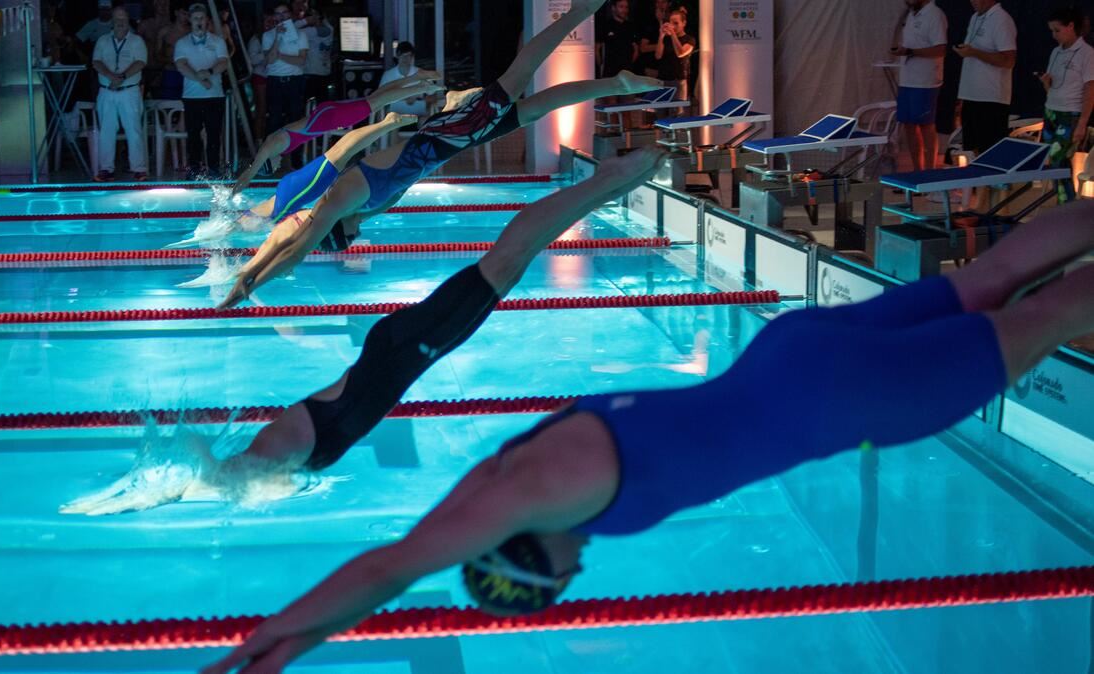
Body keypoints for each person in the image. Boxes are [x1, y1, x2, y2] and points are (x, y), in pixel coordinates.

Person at [200, 184, 1094, 674]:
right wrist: (291, 642)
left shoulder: (545, 491)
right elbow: (410, 555)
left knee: (1049, 315)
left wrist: (266, 641)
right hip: (791, 355)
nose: (579, 571)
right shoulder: (510, 470)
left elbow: (391, 568)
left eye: (560, 578)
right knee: (993, 275)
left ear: (531, 555)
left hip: (843, 400)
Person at [61, 147, 668, 517]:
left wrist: (145, 490)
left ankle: (603, 182)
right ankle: (602, 187)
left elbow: (209, 471)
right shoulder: (274, 460)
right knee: (507, 264)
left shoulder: (272, 452)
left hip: (402, 349)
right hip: (400, 352)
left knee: (505, 262)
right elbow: (212, 471)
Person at [220, 0, 663, 308]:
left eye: (347, 238)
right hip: (452, 137)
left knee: (521, 79)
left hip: (452, 134)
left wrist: (248, 282)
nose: (356, 238)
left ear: (340, 229)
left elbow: (297, 248)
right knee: (533, 104)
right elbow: (292, 244)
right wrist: (252, 271)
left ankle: (581, 18)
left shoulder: (344, 201)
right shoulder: (365, 205)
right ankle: (613, 80)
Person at [229, 71, 446, 195]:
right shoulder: (278, 147)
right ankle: (416, 78)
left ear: (268, 164)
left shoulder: (272, 146)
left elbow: (248, 174)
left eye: (273, 168)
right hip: (325, 115)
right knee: (377, 97)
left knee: (379, 100)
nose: (278, 167)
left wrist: (233, 191)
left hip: (329, 118)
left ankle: (422, 87)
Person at [953, 0, 1016, 208]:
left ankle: (996, 205)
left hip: (991, 98)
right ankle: (978, 202)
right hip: (972, 95)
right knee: (972, 151)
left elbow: (1008, 60)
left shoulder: (1002, 20)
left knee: (992, 154)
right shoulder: (975, 17)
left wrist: (975, 52)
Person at [1039, 6, 1094, 203]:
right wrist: (1047, 84)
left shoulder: (1087, 53)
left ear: (1071, 26)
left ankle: (1067, 206)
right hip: (1051, 111)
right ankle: (1063, 204)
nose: (1054, 35)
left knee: (1059, 161)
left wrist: (1082, 123)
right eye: (1051, 31)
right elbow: (1054, 88)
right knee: (1053, 162)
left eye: (1057, 30)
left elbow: (1090, 89)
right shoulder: (1056, 52)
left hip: (1070, 114)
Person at [91, 6, 149, 182]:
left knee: (134, 130)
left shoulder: (137, 41)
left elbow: (140, 62)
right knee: (106, 131)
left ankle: (139, 168)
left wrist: (122, 77)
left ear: (128, 20)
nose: (120, 22)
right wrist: (111, 76)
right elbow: (96, 62)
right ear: (112, 21)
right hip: (107, 90)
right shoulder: (102, 40)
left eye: (123, 19)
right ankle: (106, 169)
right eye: (117, 19)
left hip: (129, 90)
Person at [174, 3, 229, 180]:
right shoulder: (182, 43)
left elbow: (223, 62)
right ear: (190, 20)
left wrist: (209, 72)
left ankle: (214, 168)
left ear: (207, 21)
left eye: (202, 18)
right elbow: (181, 65)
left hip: (215, 95)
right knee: (193, 134)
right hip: (192, 96)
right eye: (195, 18)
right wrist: (200, 79)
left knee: (214, 133)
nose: (199, 21)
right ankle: (194, 169)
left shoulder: (218, 41)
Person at [892, 0, 948, 173]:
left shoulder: (935, 15)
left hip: (925, 81)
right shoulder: (911, 14)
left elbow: (940, 49)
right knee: (909, 125)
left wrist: (911, 52)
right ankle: (917, 169)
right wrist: (902, 50)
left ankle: (929, 171)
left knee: (925, 124)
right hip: (908, 79)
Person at [263, 3, 310, 171]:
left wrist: (280, 56)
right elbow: (269, 59)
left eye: (284, 13)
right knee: (274, 122)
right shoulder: (268, 36)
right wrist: (277, 38)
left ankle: (296, 160)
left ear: (290, 14)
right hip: (275, 81)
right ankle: (271, 160)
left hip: (294, 81)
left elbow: (301, 60)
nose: (281, 17)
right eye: (278, 13)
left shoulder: (301, 34)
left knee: (296, 121)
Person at [379, 42, 437, 121]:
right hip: (395, 116)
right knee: (393, 121)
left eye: (408, 56)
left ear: (412, 57)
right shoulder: (388, 75)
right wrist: (402, 98)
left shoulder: (421, 73)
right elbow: (380, 97)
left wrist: (420, 99)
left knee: (424, 121)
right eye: (403, 56)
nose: (405, 59)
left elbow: (433, 96)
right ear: (397, 56)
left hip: (418, 115)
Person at [294, 0, 334, 102]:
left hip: (312, 74)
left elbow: (291, 31)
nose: (309, 17)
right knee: (321, 105)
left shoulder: (312, 31)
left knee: (309, 105)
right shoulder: (329, 28)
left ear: (319, 16)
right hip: (323, 73)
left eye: (312, 15)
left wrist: (304, 21)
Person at [655, 7, 695, 102]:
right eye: (671, 23)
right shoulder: (667, 39)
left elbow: (680, 53)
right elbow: (658, 55)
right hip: (663, 79)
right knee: (660, 109)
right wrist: (661, 36)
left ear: (684, 23)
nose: (673, 26)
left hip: (678, 80)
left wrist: (672, 34)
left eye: (676, 23)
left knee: (677, 109)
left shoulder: (689, 39)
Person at [248, 10, 275, 145]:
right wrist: (267, 53)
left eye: (272, 21)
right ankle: (259, 142)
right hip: (261, 76)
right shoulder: (256, 40)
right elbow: (252, 60)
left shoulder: (277, 36)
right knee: (261, 110)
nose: (270, 24)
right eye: (267, 21)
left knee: (274, 110)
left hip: (274, 76)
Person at [596, 0, 639, 79]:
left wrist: (628, 65)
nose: (624, 10)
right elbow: (597, 49)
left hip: (626, 74)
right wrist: (602, 66)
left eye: (626, 7)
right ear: (613, 8)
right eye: (621, 7)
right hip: (609, 74)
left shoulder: (630, 26)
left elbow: (635, 49)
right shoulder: (605, 26)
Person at [156, 5, 191, 100]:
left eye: (188, 15)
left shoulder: (192, 32)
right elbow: (157, 55)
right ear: (176, 13)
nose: (186, 17)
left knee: (188, 102)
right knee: (169, 103)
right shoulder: (165, 32)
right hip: (170, 73)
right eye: (184, 13)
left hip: (189, 74)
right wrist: (172, 60)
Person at [638, 0, 672, 78]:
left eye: (663, 2)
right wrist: (664, 46)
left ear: (669, 4)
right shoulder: (650, 22)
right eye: (658, 2)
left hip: (668, 68)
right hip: (652, 67)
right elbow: (643, 48)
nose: (660, 5)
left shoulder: (672, 21)